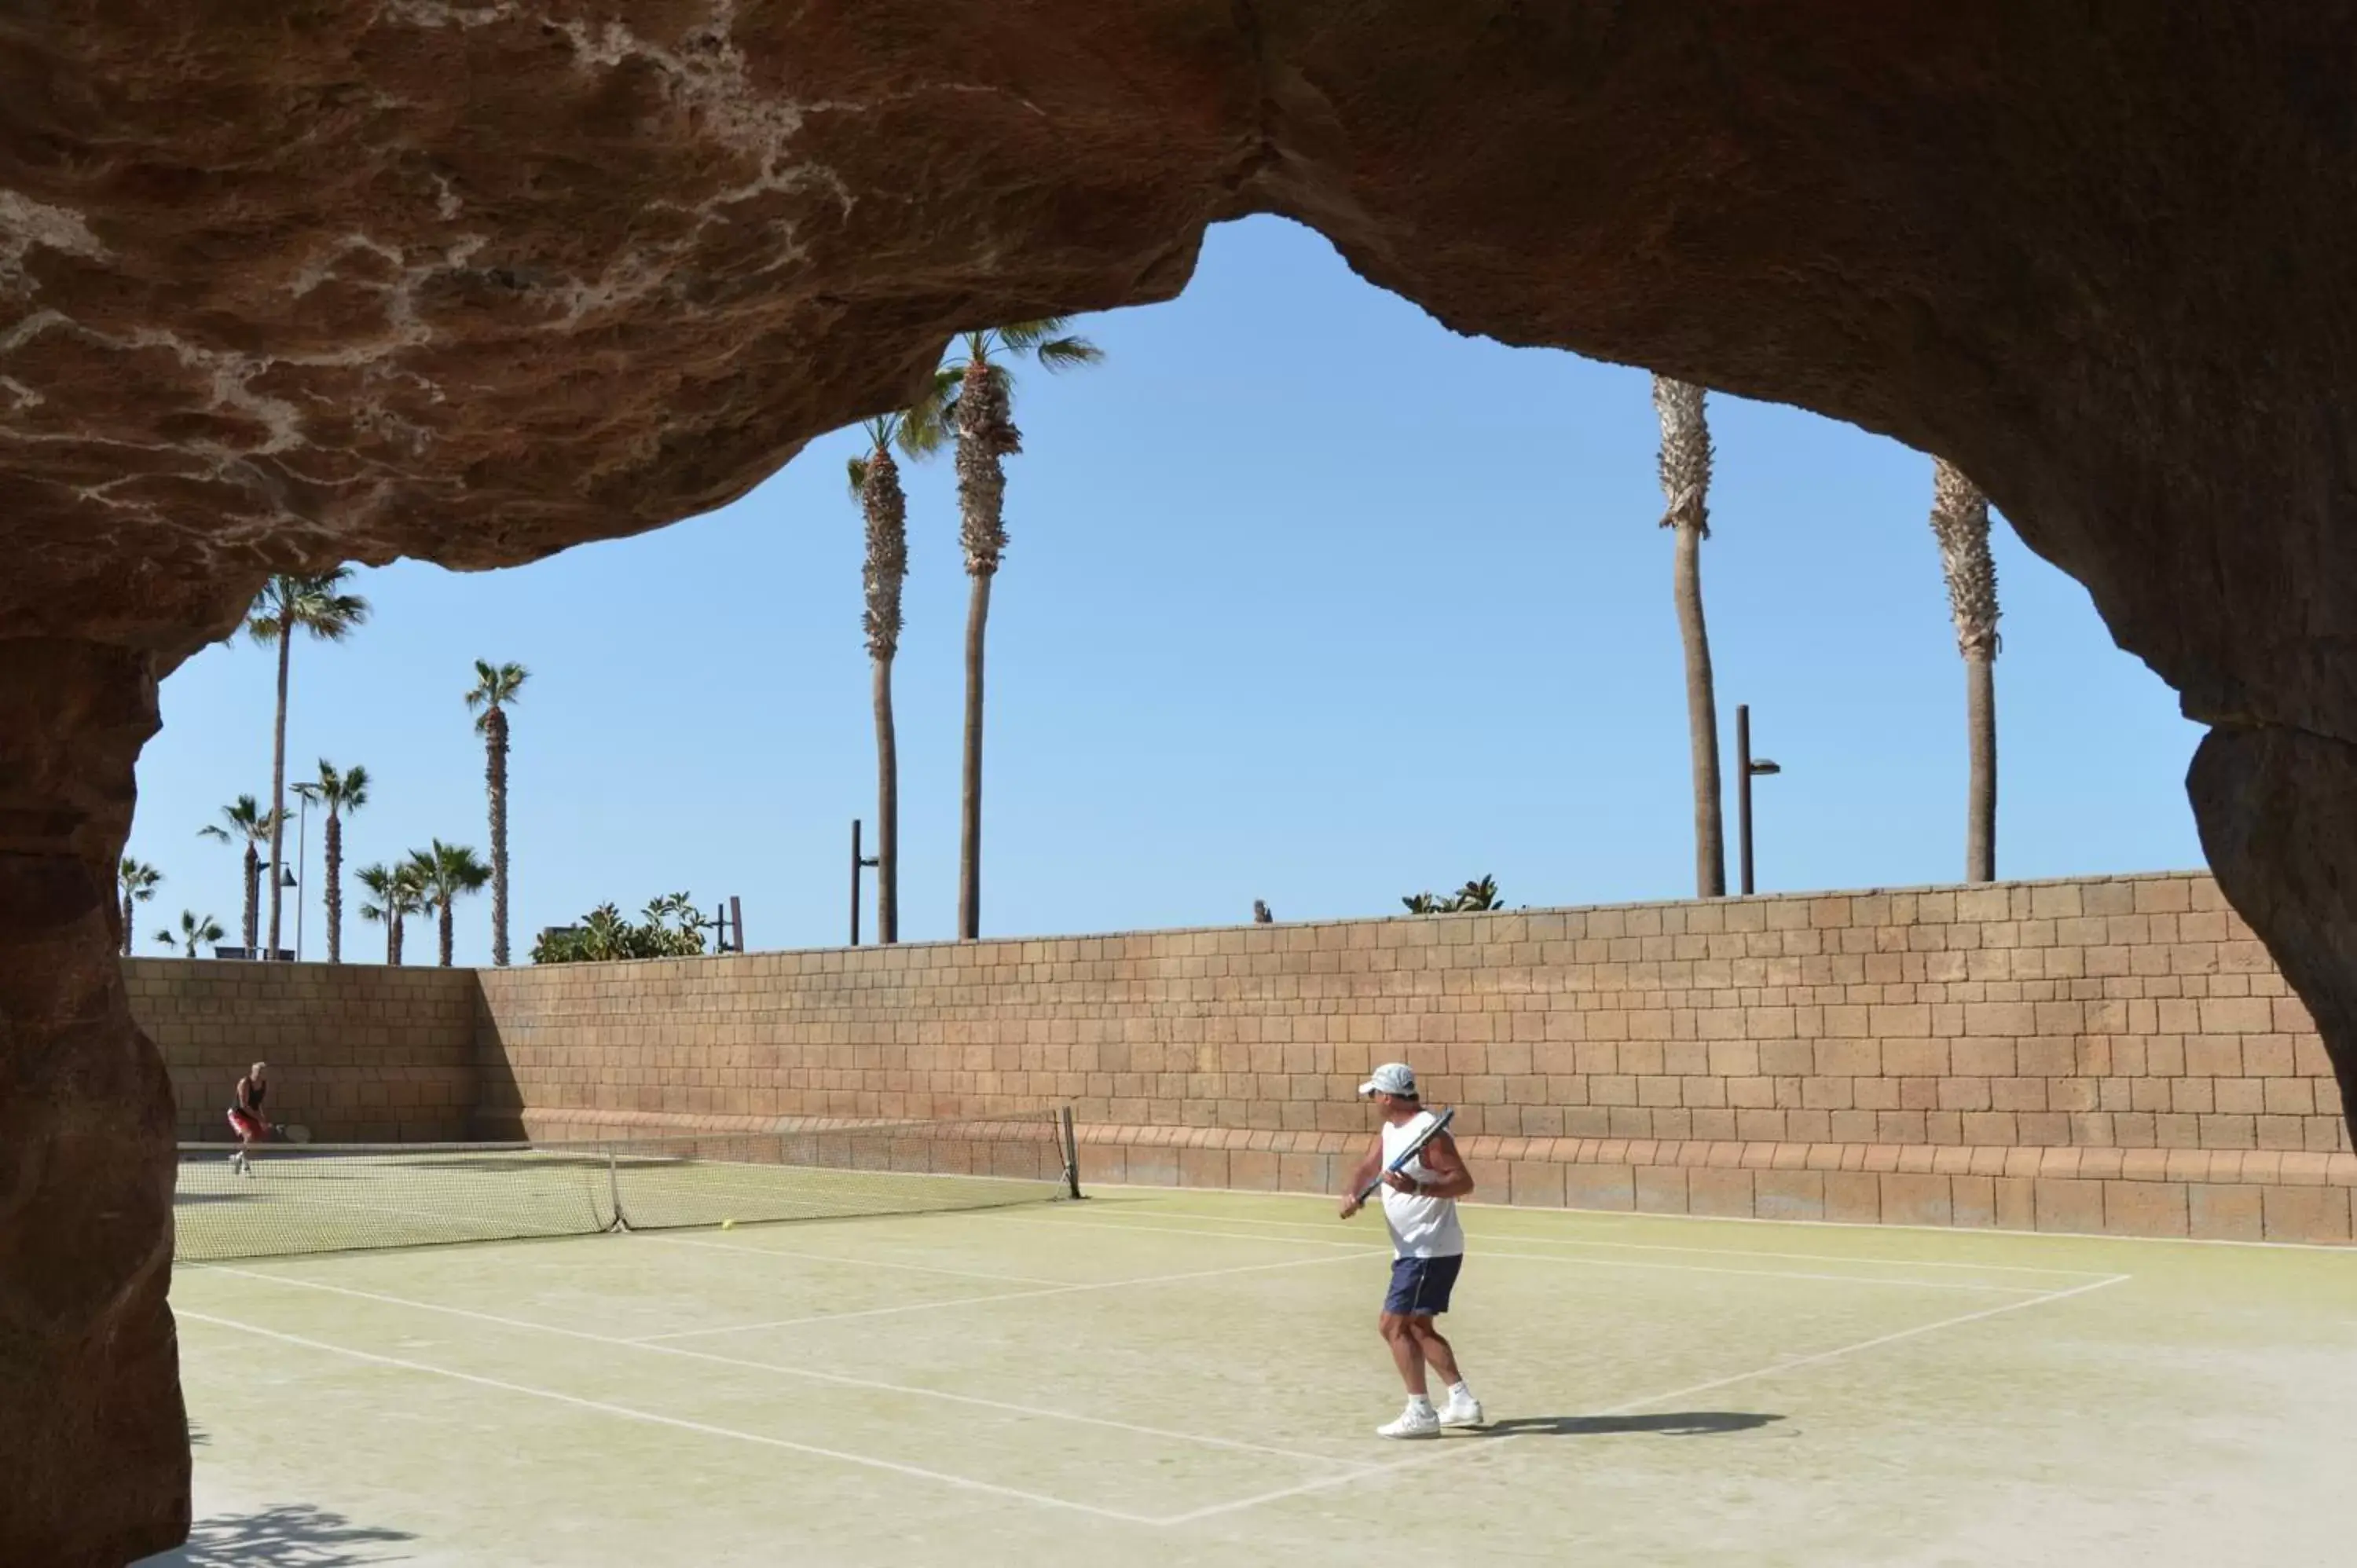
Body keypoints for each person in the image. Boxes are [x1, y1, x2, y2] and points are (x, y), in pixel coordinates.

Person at [1338, 1061, 1483, 1437]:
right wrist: (1353, 1193)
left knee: (1392, 1326)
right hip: (1413, 1249)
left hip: (1429, 1248)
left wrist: (1416, 1189)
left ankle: (1420, 1411)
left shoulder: (1429, 1133)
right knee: (1418, 1327)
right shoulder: (1391, 1128)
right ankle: (1462, 1401)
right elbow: (1370, 1164)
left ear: (1387, 1096)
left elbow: (1463, 1182)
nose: (1372, 1100)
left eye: (1374, 1094)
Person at [226, 1061, 273, 1176]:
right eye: (259, 1071)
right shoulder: (245, 1083)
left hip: (251, 1114)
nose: (261, 1074)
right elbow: (244, 1106)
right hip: (237, 1114)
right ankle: (245, 1166)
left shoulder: (264, 1085)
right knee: (249, 1136)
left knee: (257, 1142)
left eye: (264, 1072)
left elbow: (258, 1104)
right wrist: (259, 1119)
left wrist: (263, 1120)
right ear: (253, 1071)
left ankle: (238, 1158)